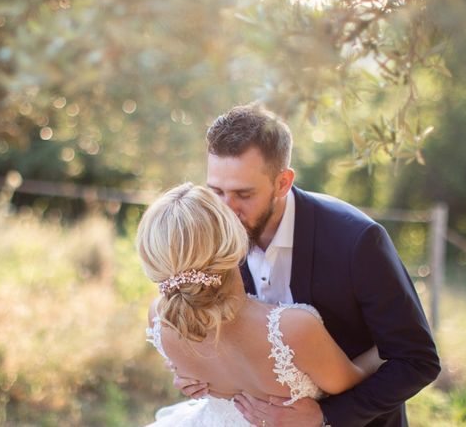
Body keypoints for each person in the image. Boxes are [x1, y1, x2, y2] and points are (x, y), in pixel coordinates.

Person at [173, 103, 440, 426]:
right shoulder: (210, 238)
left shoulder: (358, 241)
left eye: (244, 194)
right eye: (216, 191)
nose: (227, 211)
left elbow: (416, 360)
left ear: (283, 182)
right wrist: (197, 371)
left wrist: (326, 415)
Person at [137, 183, 385, 426]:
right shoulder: (291, 329)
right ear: (235, 239)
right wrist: (387, 345)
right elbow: (351, 381)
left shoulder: (160, 319)